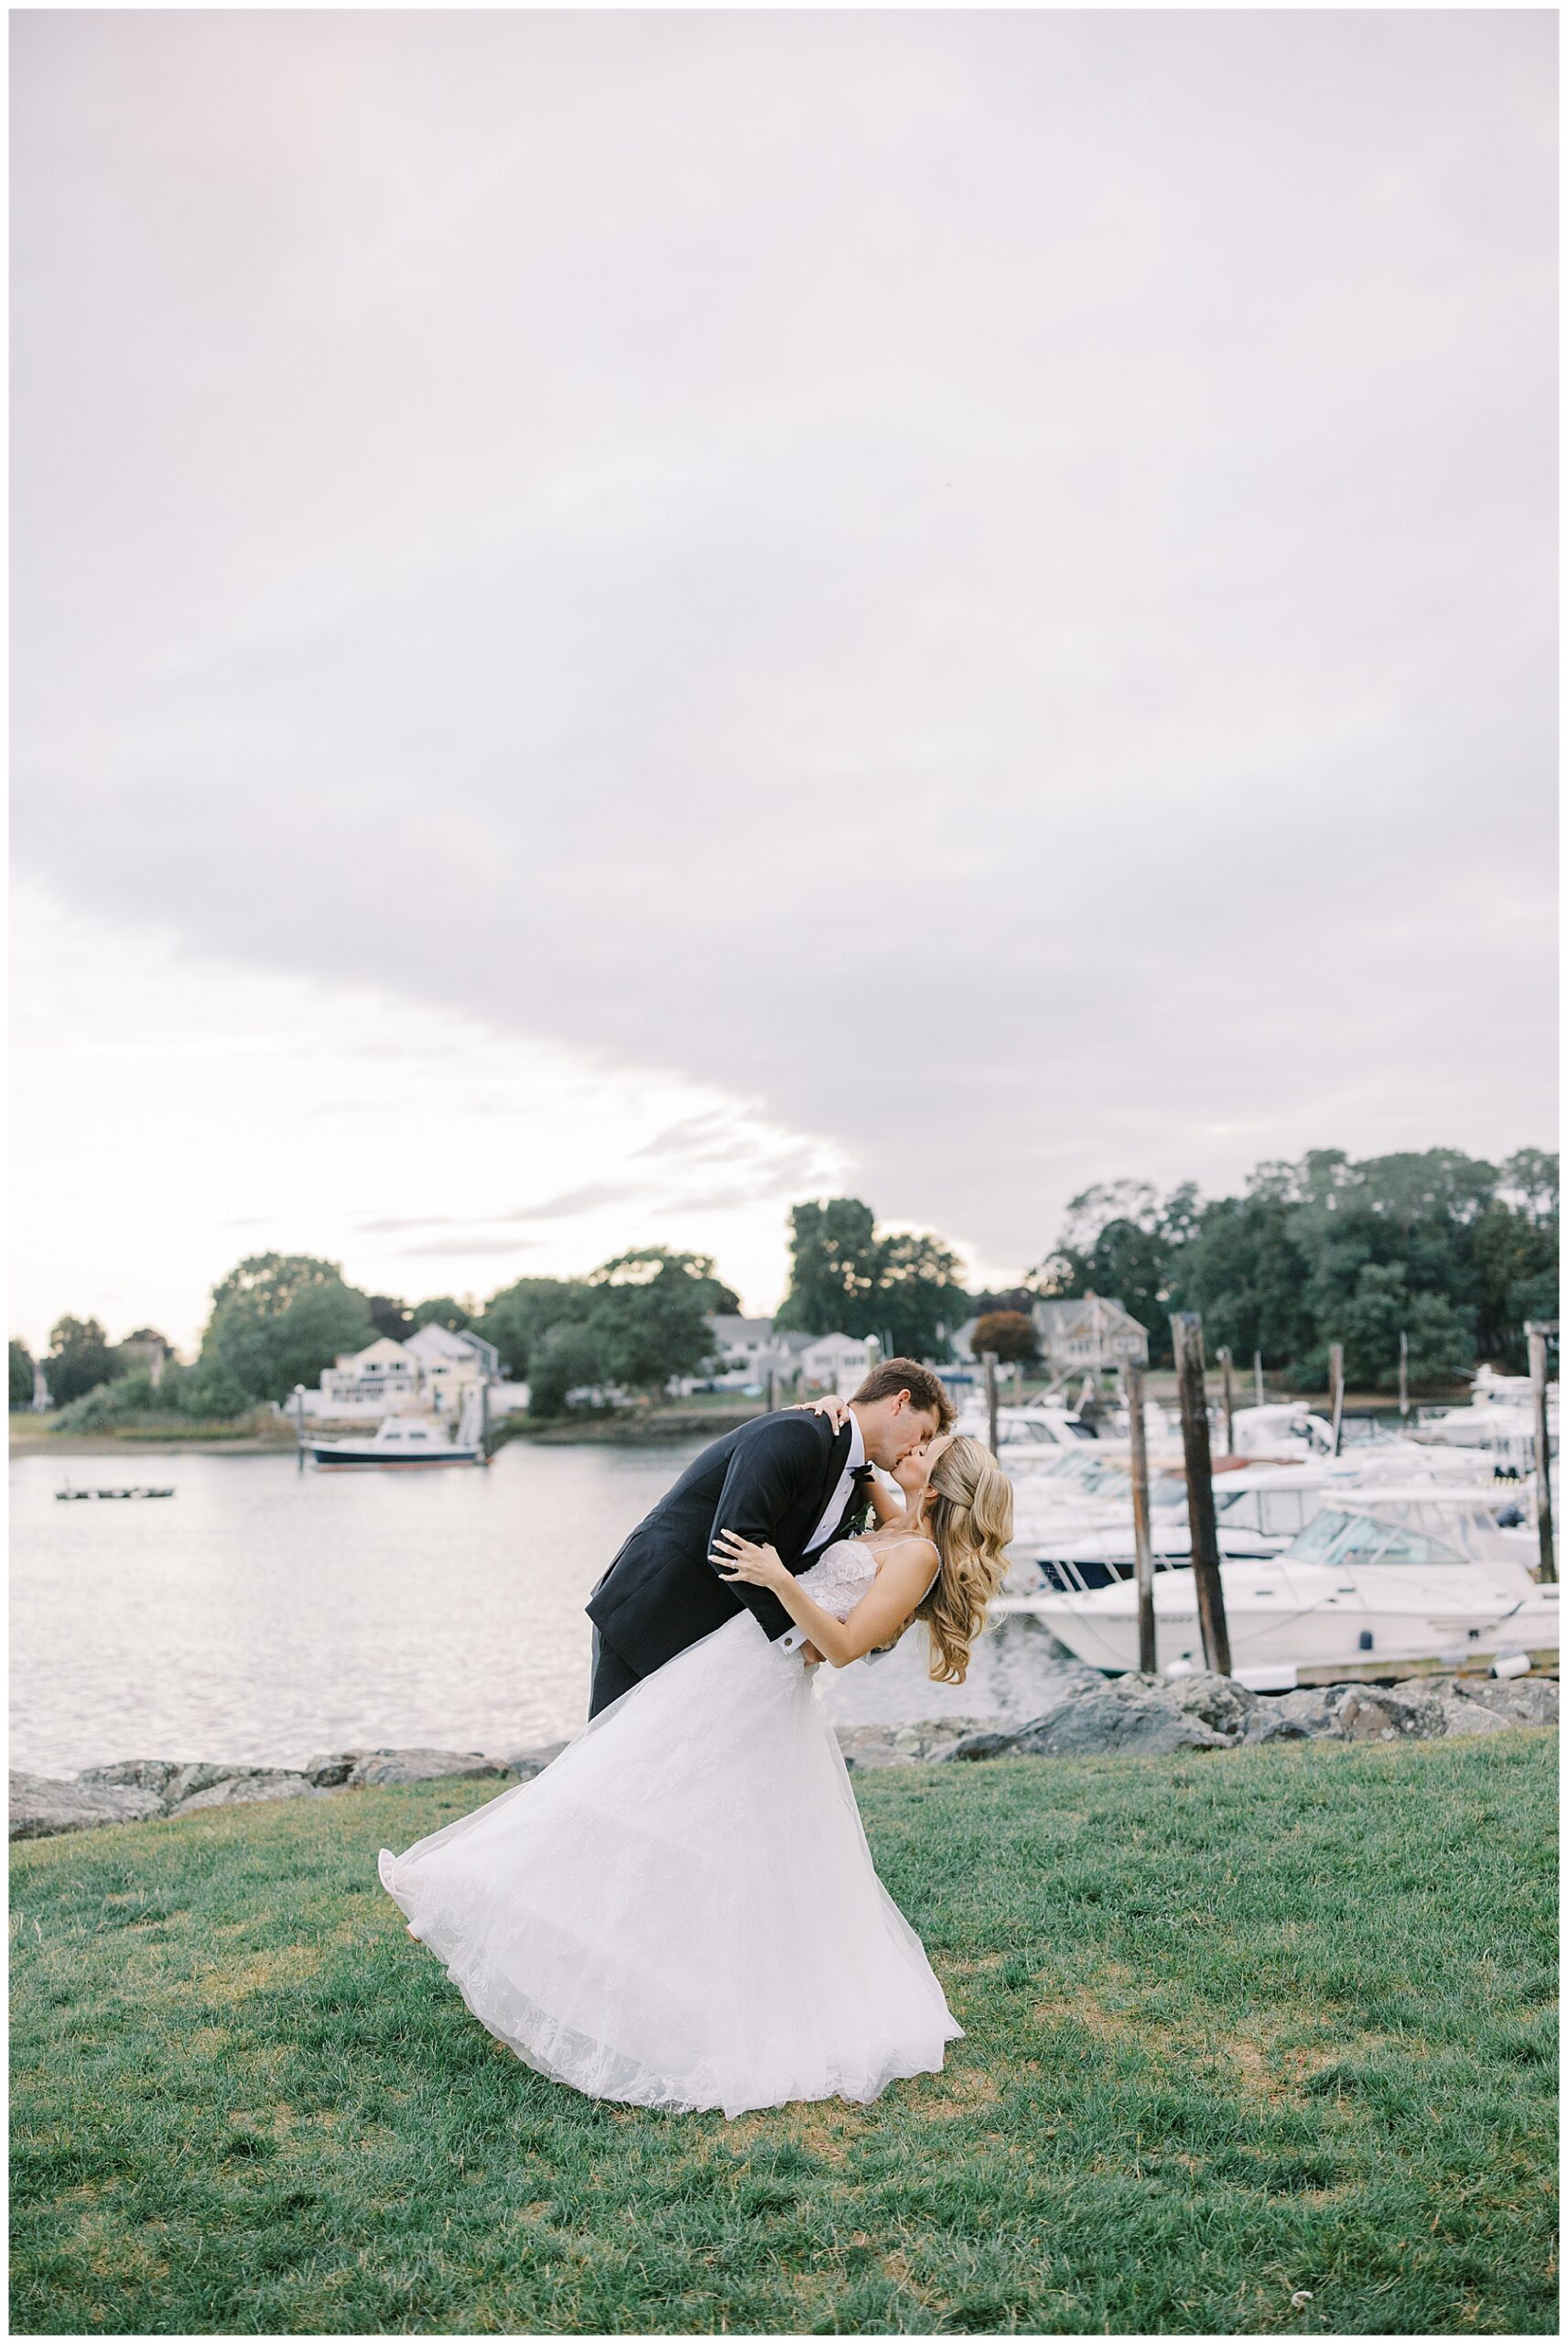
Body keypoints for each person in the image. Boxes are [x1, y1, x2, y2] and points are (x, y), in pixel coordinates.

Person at [377, 1394, 1015, 2120]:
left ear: (936, 1484)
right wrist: (822, 1409)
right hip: (726, 1663)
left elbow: (839, 1646)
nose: (915, 1448)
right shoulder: (890, 1517)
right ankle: (505, 1910)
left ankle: (534, 1923)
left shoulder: (921, 1555)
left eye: (926, 1448)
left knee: (659, 1805)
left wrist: (777, 1580)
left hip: (763, 1681)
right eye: (921, 1434)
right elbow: (847, 1450)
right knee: (625, 1787)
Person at [582, 1358, 955, 1714]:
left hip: (719, 1648)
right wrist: (796, 1638)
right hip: (651, 1613)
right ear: (900, 1402)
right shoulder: (798, 1432)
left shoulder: (859, 1481)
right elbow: (733, 1541)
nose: (918, 1447)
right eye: (923, 1432)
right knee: (609, 1764)